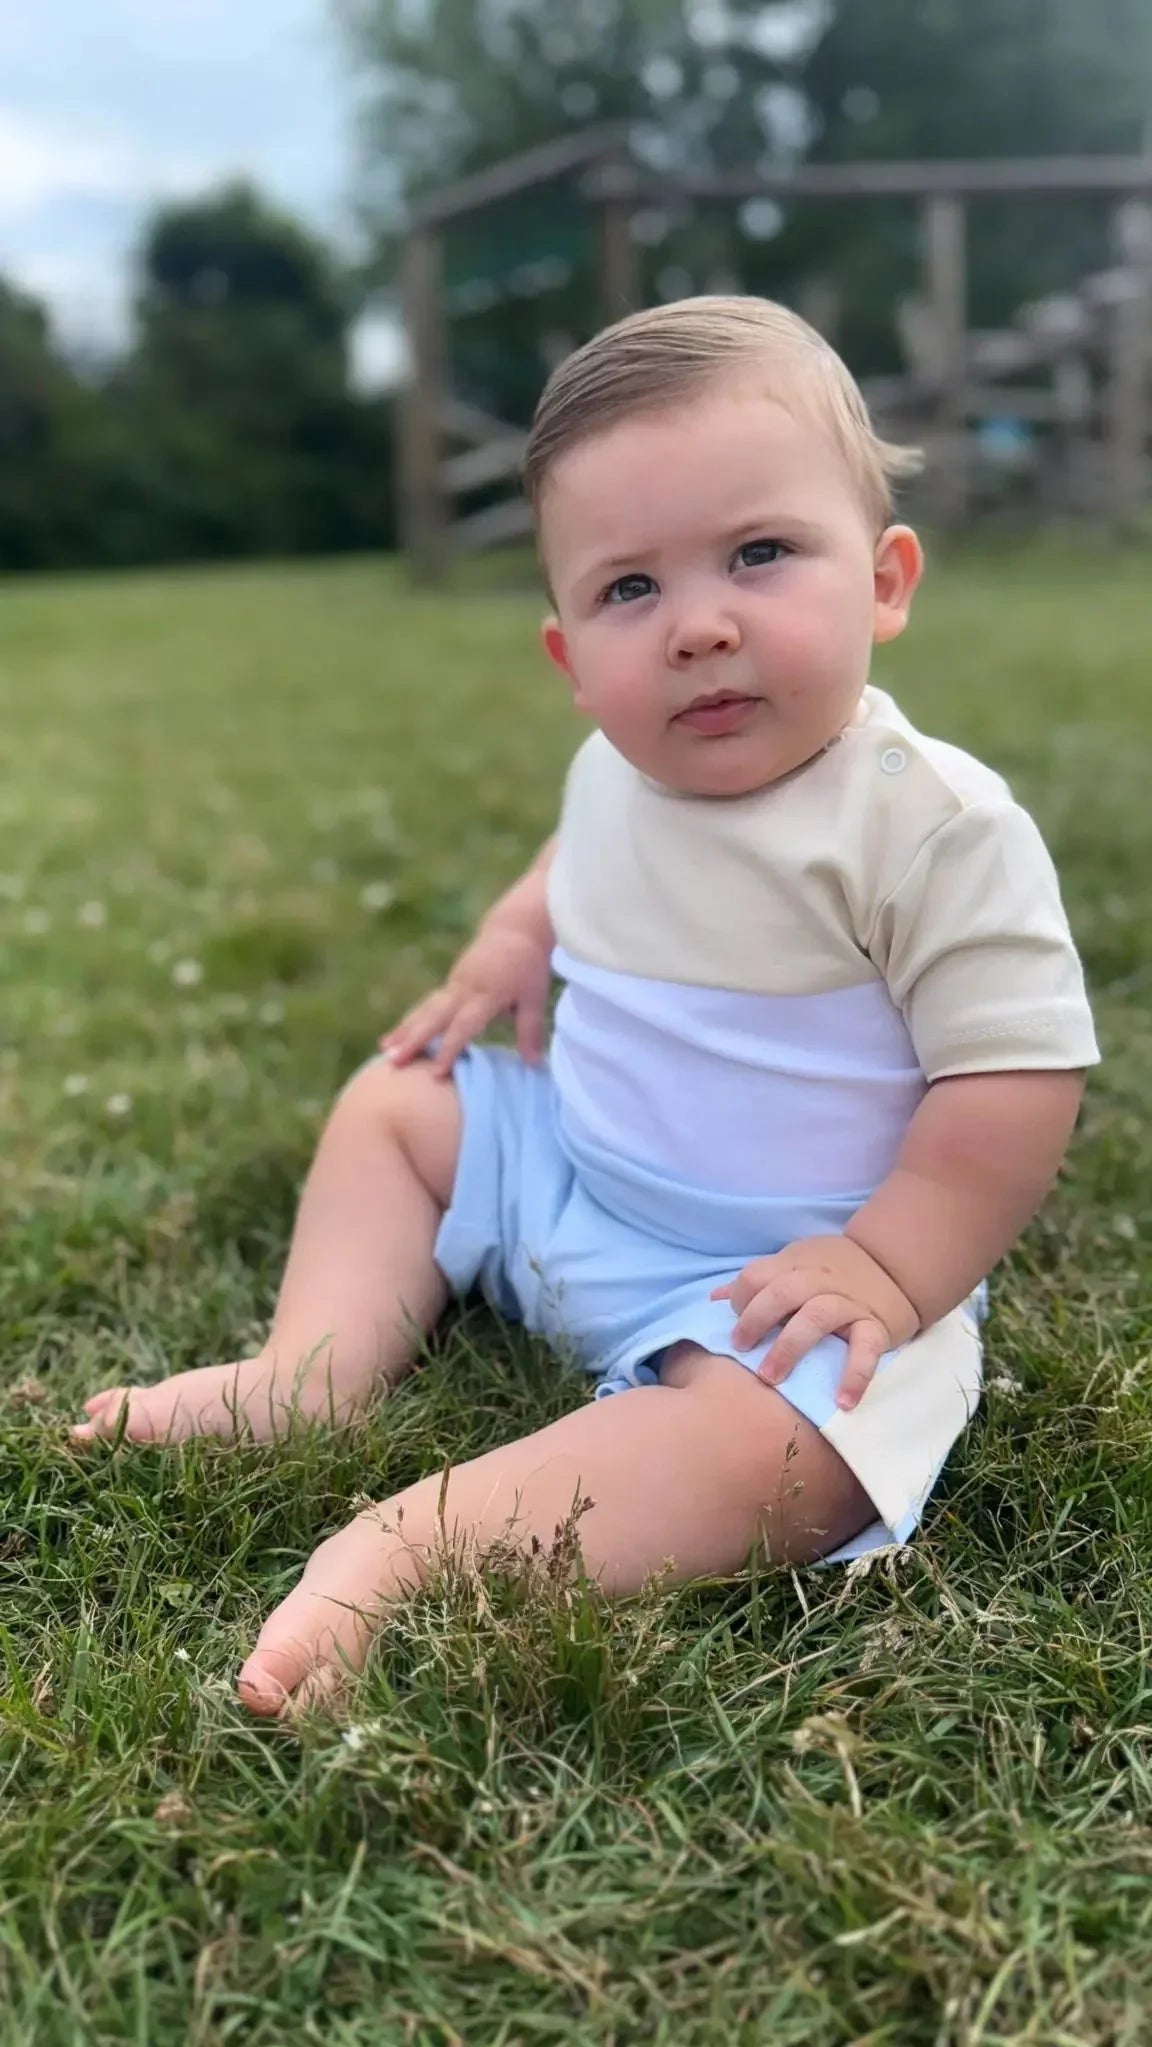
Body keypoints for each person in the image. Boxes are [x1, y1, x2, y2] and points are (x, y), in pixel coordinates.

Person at [73, 298, 1099, 1715]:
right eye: (630, 589)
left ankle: (407, 1552)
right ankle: (311, 1372)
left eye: (759, 554)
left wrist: (887, 1264)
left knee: (796, 1458)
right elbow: (581, 855)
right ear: (569, 658)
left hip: (781, 1275)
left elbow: (1015, 1078)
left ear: (883, 581)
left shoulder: (932, 826)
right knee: (404, 1098)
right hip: (572, 1176)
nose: (699, 627)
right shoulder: (624, 764)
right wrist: (511, 940)